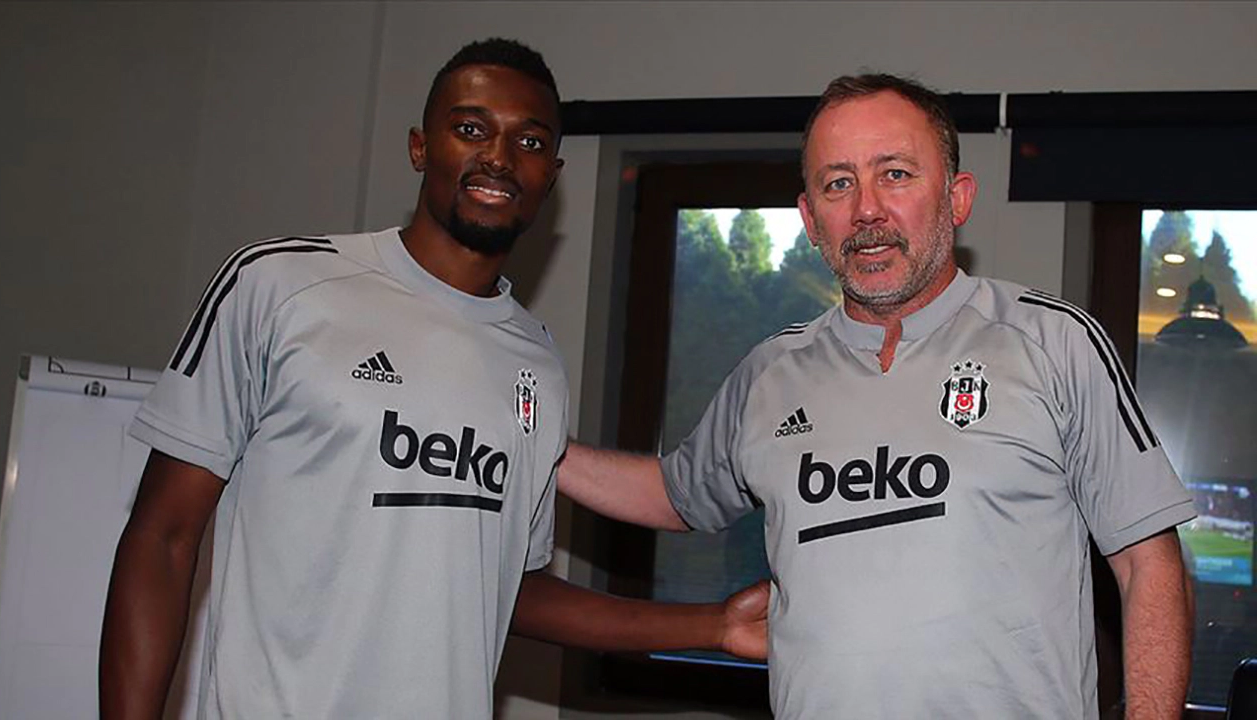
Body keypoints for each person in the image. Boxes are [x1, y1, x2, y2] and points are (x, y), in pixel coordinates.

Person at [99, 38, 767, 720]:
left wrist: (712, 625)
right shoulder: (277, 286)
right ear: (420, 147)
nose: (499, 157)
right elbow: (162, 537)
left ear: (552, 175)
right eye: (471, 129)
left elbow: (507, 589)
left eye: (530, 142)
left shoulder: (536, 363)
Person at [560, 73, 1196, 719]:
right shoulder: (770, 373)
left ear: (956, 198)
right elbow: (674, 494)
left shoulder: (1052, 342)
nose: (866, 210)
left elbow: (1149, 563)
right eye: (838, 183)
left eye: (895, 174)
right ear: (810, 218)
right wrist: (539, 445)